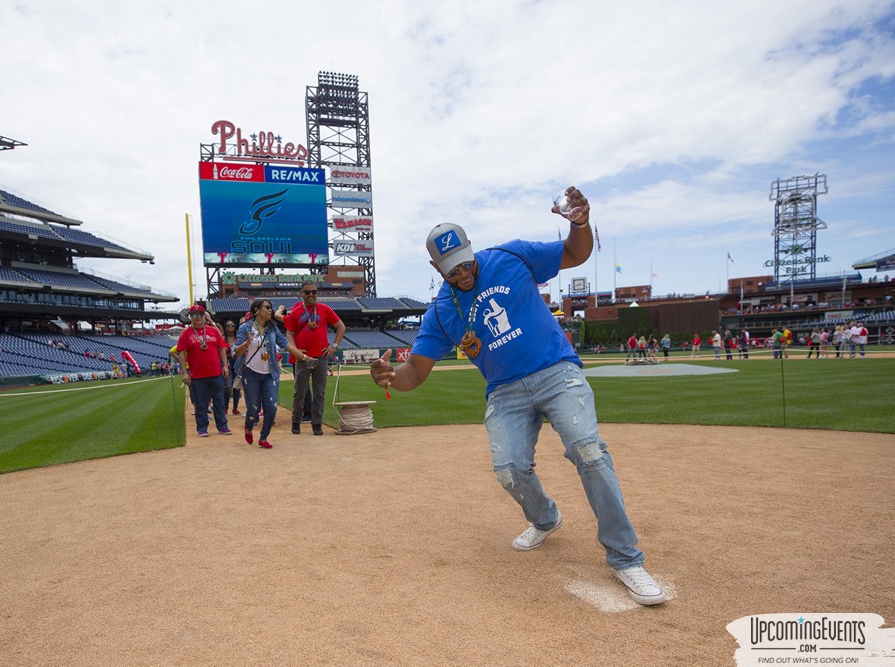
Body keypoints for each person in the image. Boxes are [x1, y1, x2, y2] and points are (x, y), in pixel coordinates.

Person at [369, 187, 666, 606]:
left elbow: (574, 254)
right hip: (505, 391)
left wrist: (579, 224)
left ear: (472, 248)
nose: (463, 273)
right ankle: (545, 517)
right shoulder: (441, 311)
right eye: (451, 269)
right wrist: (388, 377)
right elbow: (415, 372)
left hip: (556, 371)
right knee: (509, 469)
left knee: (589, 452)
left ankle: (625, 558)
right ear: (436, 267)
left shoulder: (510, 257)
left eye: (465, 262)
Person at [235, 299, 309, 449]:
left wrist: (305, 358)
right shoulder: (245, 328)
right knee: (253, 409)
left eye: (271, 308)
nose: (270, 310)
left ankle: (263, 437)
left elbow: (285, 344)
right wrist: (246, 343)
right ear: (257, 309)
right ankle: (248, 427)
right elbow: (235, 352)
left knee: (271, 407)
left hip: (270, 373)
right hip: (251, 373)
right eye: (267, 307)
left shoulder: (272, 328)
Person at [285, 281, 346, 436]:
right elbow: (289, 333)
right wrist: (295, 349)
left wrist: (334, 346)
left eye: (314, 292)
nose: (311, 295)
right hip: (303, 358)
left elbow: (341, 326)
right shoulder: (295, 312)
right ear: (301, 294)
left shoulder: (325, 309)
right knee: (300, 392)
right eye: (307, 292)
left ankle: (317, 423)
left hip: (321, 356)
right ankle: (296, 421)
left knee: (319, 392)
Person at [176, 304, 232, 437]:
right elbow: (182, 354)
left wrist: (225, 365)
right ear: (190, 317)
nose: (198, 317)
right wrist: (184, 372)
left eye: (200, 314)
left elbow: (222, 349)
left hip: (216, 372)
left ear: (204, 316)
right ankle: (202, 427)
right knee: (201, 402)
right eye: (195, 315)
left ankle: (222, 426)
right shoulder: (186, 333)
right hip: (198, 375)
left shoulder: (212, 330)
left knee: (219, 401)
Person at [222, 319, 242, 415]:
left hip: (237, 361)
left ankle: (235, 408)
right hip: (227, 362)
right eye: (228, 325)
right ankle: (225, 408)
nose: (230, 327)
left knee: (237, 386)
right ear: (225, 328)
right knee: (228, 386)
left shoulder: (238, 338)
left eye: (232, 325)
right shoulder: (223, 338)